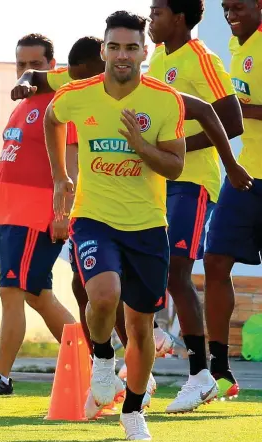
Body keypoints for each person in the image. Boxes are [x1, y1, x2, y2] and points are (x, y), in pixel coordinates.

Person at [44, 10, 186, 440]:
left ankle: (133, 411)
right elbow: (53, 118)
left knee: (142, 326)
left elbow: (176, 166)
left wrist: (141, 146)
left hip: (147, 225)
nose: (122, 55)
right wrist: (60, 177)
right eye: (114, 47)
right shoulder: (79, 93)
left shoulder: (165, 100)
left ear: (145, 51)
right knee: (103, 294)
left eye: (130, 47)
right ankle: (104, 361)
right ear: (103, 49)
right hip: (94, 217)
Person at [148, 0, 253, 413]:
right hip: (154, 183)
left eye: (156, 12)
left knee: (177, 268)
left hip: (193, 181)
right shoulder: (155, 57)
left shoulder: (202, 59)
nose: (150, 19)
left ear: (177, 17)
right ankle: (150, 345)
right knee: (152, 263)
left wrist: (175, 150)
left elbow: (232, 121)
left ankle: (200, 374)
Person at [0, 33, 77, 396]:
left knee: (11, 291)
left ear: (52, 67)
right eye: (21, 64)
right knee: (37, 296)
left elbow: (72, 162)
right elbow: (10, 158)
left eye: (35, 65)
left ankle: (1, 377)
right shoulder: (19, 104)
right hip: (11, 214)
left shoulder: (60, 104)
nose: (27, 71)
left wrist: (63, 213)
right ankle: (93, 363)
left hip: (34, 215)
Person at [204, 0, 262, 399]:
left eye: (238, 6)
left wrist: (240, 111)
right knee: (215, 259)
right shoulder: (238, 47)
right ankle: (219, 367)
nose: (229, 14)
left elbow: (241, 111)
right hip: (245, 176)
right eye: (225, 7)